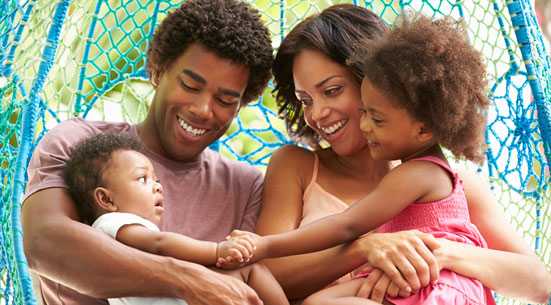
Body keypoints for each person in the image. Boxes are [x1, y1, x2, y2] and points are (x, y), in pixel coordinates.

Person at [252, 4, 551, 304]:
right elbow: (270, 277)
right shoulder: (297, 166)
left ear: (375, 81)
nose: (317, 114)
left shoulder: (449, 184)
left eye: (332, 91)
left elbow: (539, 282)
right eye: (305, 100)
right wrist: (366, 248)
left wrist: (438, 254)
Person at [21, 0, 273, 304]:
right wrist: (183, 279)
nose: (203, 110)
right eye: (190, 85)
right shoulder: (81, 144)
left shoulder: (245, 187)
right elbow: (44, 242)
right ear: (157, 71)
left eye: (226, 100)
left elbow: (241, 284)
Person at [63, 133, 289, 305]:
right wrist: (217, 250)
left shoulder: (113, 232)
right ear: (106, 199)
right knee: (253, 271)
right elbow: (161, 245)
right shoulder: (113, 223)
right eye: (143, 179)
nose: (157, 186)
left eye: (156, 179)